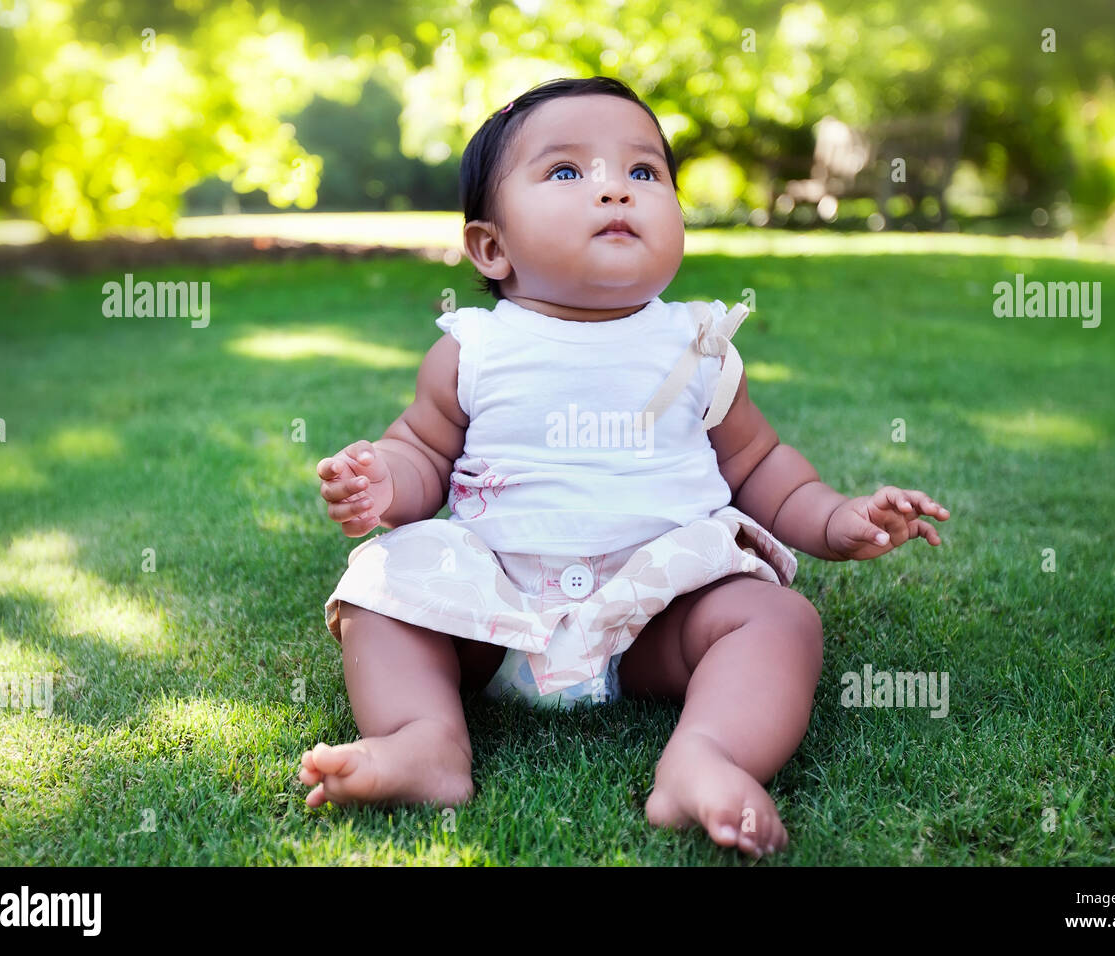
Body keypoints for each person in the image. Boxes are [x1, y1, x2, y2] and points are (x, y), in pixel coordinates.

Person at [300, 76, 951, 858]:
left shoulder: (699, 348)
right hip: (493, 613)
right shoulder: (473, 349)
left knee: (778, 619)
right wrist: (384, 485)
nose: (615, 191)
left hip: (656, 616)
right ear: (492, 247)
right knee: (384, 583)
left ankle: (707, 755)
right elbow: (424, 453)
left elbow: (763, 465)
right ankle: (423, 740)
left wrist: (838, 518)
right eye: (568, 173)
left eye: (643, 173)